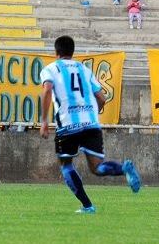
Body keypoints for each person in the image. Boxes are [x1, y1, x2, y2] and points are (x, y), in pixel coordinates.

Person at [39, 35, 142, 214]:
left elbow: (47, 90)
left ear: (56, 52)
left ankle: (88, 206)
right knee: (97, 168)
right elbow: (101, 97)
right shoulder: (85, 70)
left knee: (66, 165)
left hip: (68, 125)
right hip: (91, 124)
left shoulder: (50, 69)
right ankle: (123, 168)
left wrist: (44, 121)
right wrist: (94, 114)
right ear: (72, 52)